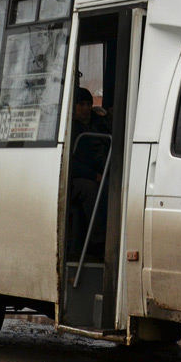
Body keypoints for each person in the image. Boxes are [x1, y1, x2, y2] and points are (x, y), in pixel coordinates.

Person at [69, 87, 110, 258]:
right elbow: (71, 164)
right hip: (76, 178)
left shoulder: (96, 123)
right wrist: (93, 175)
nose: (85, 109)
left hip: (102, 170)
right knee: (91, 190)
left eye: (88, 104)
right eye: (81, 105)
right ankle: (97, 241)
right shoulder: (71, 128)